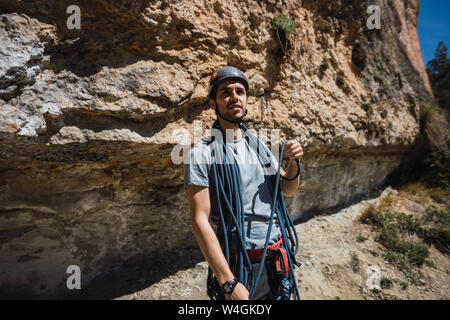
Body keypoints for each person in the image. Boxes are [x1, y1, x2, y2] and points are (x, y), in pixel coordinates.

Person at [184, 66, 304, 300]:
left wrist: (294, 162)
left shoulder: (259, 146)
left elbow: (287, 190)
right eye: (225, 92)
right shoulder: (201, 154)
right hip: (241, 263)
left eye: (240, 91)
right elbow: (200, 220)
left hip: (278, 258)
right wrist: (227, 282)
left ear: (247, 100)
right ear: (212, 104)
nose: (234, 97)